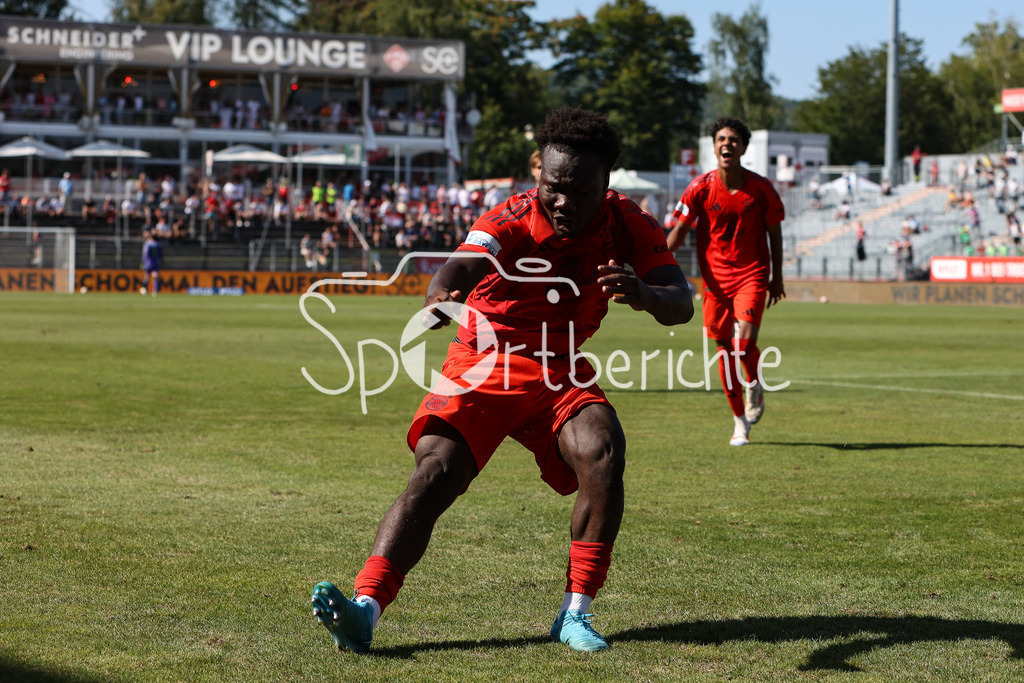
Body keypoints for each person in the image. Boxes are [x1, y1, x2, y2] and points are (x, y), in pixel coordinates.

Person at [311, 107, 694, 654]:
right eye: (552, 187)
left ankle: (574, 613)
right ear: (539, 177)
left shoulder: (628, 222)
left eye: (579, 190)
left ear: (605, 185)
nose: (561, 201)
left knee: (603, 451)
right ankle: (364, 611)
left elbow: (681, 302)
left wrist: (648, 294)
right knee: (437, 471)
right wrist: (440, 297)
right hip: (483, 361)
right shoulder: (510, 217)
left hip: (556, 366)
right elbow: (457, 268)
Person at [666, 116, 785, 447]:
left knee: (742, 346)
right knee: (725, 352)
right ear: (714, 146)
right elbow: (679, 230)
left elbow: (775, 233)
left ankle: (754, 382)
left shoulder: (761, 189)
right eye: (721, 139)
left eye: (733, 139)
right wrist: (656, 261)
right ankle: (739, 422)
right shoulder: (700, 187)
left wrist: (777, 276)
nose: (727, 144)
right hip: (715, 281)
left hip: (752, 274)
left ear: (744, 147)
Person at [139, 230, 163, 296]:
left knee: (146, 276)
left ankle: (144, 289)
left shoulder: (148, 245)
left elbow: (146, 254)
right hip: (156, 262)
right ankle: (154, 291)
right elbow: (160, 254)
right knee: (155, 276)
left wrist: (143, 261)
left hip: (149, 262)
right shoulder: (158, 245)